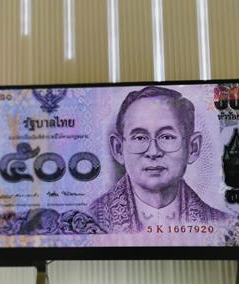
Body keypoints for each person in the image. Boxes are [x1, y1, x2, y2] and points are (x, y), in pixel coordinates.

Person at [89, 86, 229, 233]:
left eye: (167, 137)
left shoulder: (226, 226)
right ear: (118, 149)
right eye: (140, 138)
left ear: (193, 147)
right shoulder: (88, 221)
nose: (153, 152)